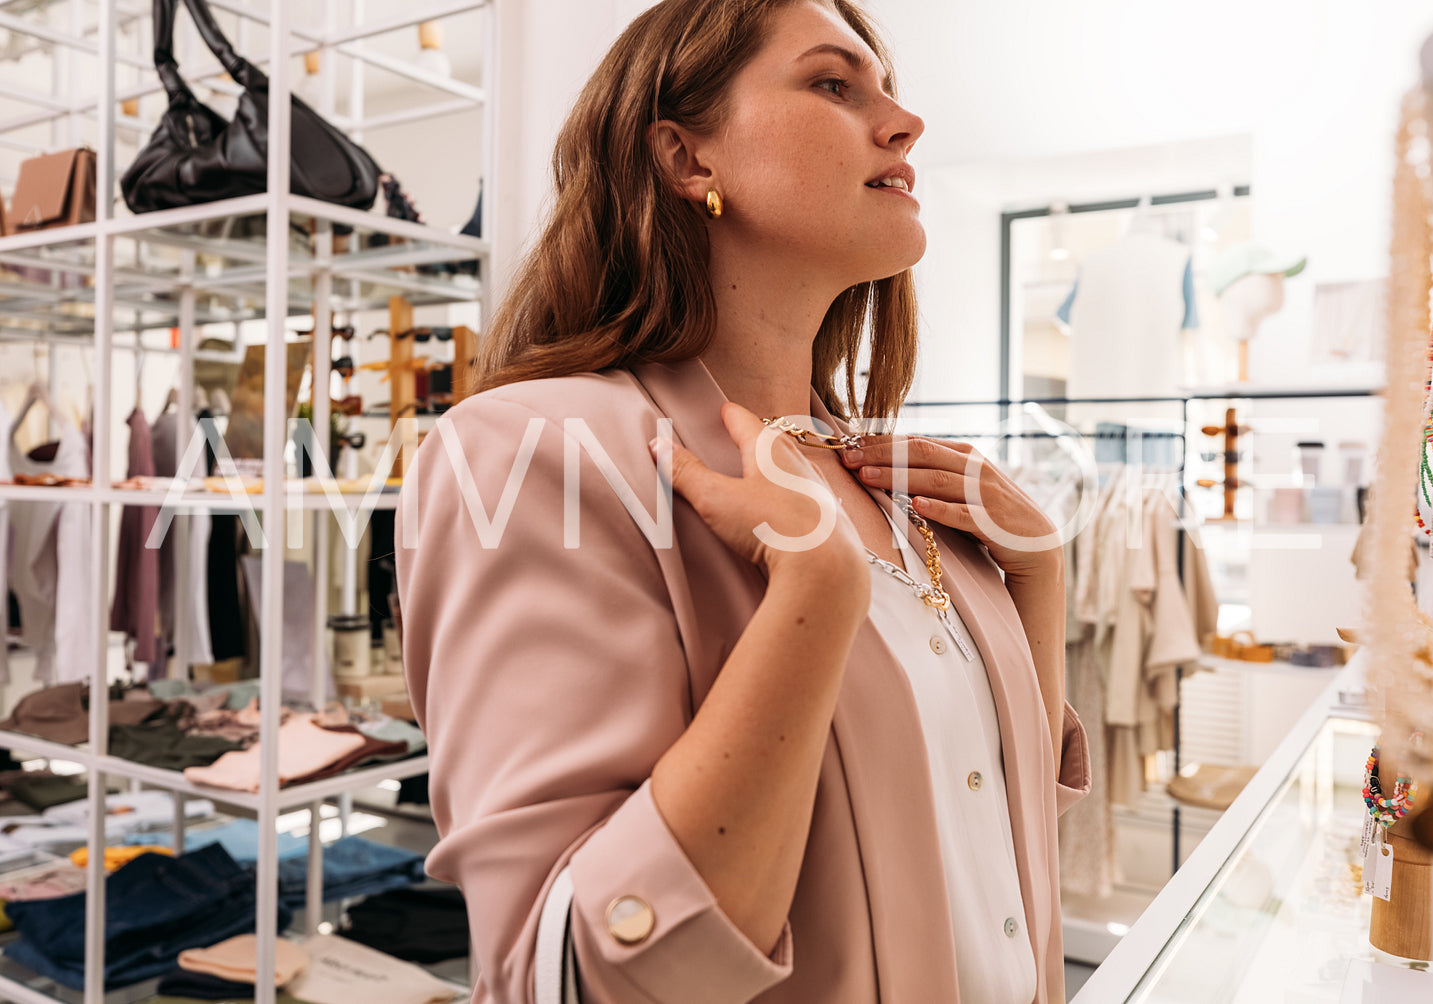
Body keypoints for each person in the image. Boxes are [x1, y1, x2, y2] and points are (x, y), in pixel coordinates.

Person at [395, 1, 1090, 1001]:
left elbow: (982, 862)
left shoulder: (900, 485)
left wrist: (1035, 584)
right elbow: (567, 970)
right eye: (832, 83)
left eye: (886, 91)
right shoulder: (534, 451)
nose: (903, 123)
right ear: (687, 159)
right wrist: (811, 597)